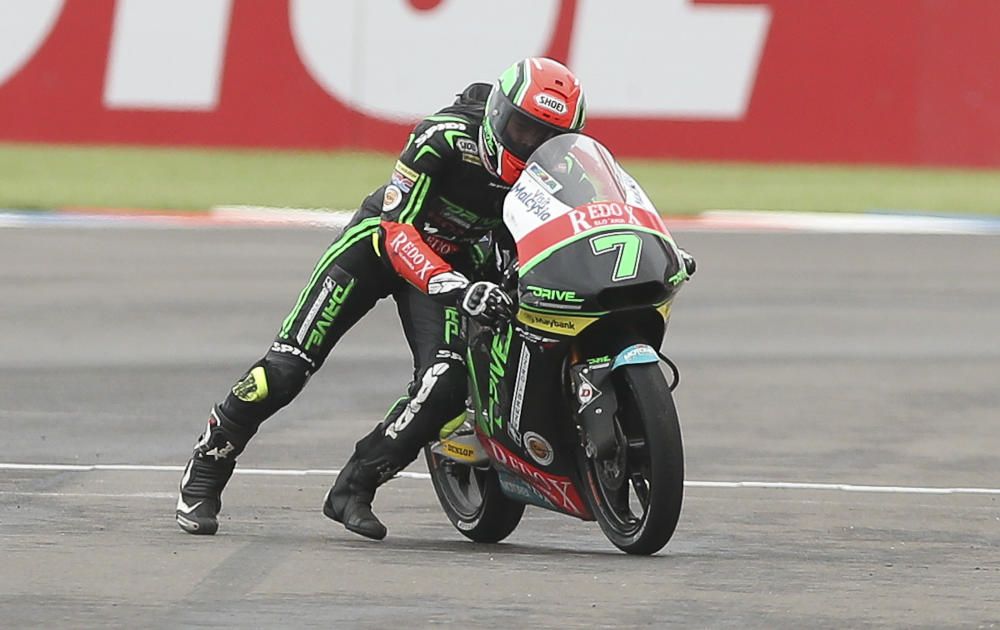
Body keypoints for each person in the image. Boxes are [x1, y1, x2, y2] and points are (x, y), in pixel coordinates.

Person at [175, 57, 588, 539]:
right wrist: (450, 284)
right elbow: (397, 231)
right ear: (499, 115)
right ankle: (207, 467)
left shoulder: (563, 166)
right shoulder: (444, 138)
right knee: (285, 369)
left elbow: (592, 214)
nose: (532, 145)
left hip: (459, 264)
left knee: (447, 381)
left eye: (546, 136)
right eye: (522, 129)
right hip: (379, 247)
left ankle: (355, 487)